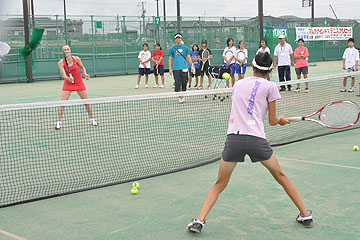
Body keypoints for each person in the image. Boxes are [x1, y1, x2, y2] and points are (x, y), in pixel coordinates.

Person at [187, 52, 313, 234]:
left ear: (252, 67)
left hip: (234, 139)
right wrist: (281, 120)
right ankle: (305, 215)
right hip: (257, 140)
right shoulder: (271, 86)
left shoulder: (238, 84)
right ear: (271, 69)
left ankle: (199, 221)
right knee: (281, 177)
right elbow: (271, 120)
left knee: (219, 184)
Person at [55, 45, 97, 130]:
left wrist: (85, 74)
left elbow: (82, 67)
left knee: (86, 102)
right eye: (65, 50)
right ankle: (58, 122)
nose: (66, 51)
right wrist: (69, 78)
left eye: (68, 49)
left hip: (79, 82)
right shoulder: (61, 63)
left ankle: (92, 119)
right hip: (68, 84)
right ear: (63, 52)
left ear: (70, 50)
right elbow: (64, 75)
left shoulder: (77, 59)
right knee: (62, 103)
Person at [168, 33, 194, 103]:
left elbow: (188, 57)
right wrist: (170, 69)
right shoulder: (172, 49)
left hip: (184, 68)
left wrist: (192, 65)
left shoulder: (185, 48)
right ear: (175, 39)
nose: (178, 39)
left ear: (181, 39)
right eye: (176, 38)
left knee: (184, 82)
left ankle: (182, 94)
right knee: (177, 83)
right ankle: (180, 97)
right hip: (176, 69)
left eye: (179, 38)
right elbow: (170, 59)